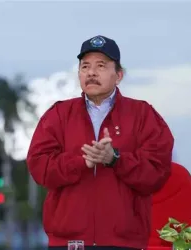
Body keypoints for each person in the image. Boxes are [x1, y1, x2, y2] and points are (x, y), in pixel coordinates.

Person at [27, 35, 174, 250]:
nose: (91, 73)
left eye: (101, 66)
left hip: (124, 242)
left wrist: (115, 159)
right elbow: (39, 167)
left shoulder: (143, 115)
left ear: (119, 75)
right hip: (68, 242)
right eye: (85, 66)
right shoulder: (58, 114)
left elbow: (157, 172)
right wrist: (80, 162)